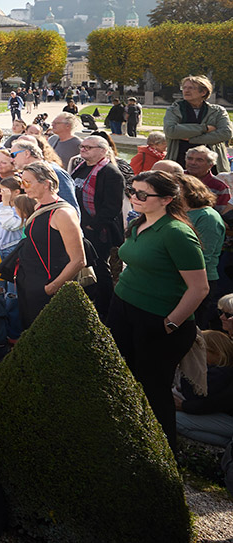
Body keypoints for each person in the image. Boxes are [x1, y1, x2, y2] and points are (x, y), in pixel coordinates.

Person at [108, 170, 208, 451]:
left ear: (166, 199)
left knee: (154, 390)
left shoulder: (177, 233)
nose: (134, 197)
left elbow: (199, 288)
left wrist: (171, 324)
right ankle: (127, 440)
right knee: (122, 377)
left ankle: (162, 455)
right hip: (125, 310)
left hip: (158, 321)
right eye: (132, 191)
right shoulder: (139, 223)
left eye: (142, 194)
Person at [14, 162, 87, 331]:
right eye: (22, 182)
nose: (23, 187)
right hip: (29, 282)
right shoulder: (38, 205)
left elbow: (78, 260)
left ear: (46, 183)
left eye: (28, 182)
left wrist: (51, 288)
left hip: (46, 287)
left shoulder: (63, 214)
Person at [69, 135, 125, 319]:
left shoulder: (111, 173)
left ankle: (104, 308)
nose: (82, 149)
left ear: (102, 150)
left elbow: (112, 207)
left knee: (99, 267)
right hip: (79, 227)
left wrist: (92, 225)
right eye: (82, 147)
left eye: (88, 147)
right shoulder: (81, 167)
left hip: (99, 232)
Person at [180, 174, 226, 331]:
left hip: (198, 282)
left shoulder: (207, 217)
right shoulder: (181, 213)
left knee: (193, 328)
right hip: (181, 278)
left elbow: (203, 256)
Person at [175, 330, 233, 446]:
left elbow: (212, 403)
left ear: (217, 354)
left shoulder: (219, 376)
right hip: (223, 417)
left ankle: (227, 444)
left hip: (228, 420)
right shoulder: (221, 373)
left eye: (200, 351)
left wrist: (183, 406)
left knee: (175, 419)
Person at [165, 75, 231, 172]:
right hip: (179, 160)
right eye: (184, 88)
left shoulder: (218, 111)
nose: (186, 91)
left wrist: (192, 139)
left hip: (212, 164)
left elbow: (226, 133)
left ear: (203, 92)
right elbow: (171, 131)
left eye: (191, 88)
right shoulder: (174, 109)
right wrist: (205, 129)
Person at [185, 145, 232, 214]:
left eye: (199, 160)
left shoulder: (219, 187)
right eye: (190, 159)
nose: (193, 162)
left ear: (210, 165)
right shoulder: (176, 178)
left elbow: (223, 214)